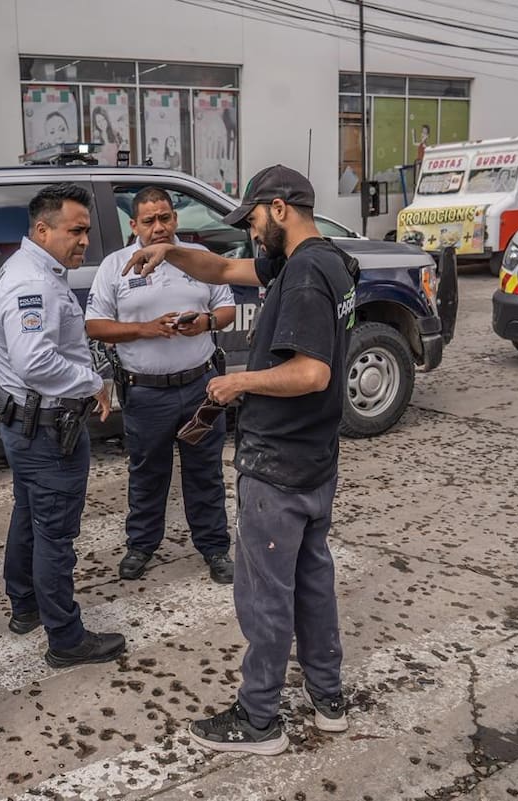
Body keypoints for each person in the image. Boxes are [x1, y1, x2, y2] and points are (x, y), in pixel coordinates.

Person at [124, 165, 358, 755]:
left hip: (278, 461)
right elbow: (224, 269)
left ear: (279, 209)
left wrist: (239, 384)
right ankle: (328, 699)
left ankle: (259, 721)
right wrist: (170, 252)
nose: (251, 234)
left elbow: (313, 371)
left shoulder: (304, 278)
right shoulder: (326, 260)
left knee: (264, 594)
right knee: (312, 581)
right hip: (315, 457)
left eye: (253, 219)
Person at [0, 183, 125, 669]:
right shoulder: (36, 283)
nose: (84, 240)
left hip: (25, 423)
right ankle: (66, 638)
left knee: (29, 515)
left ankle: (26, 606)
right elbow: (36, 362)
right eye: (76, 230)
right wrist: (92, 383)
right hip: (47, 429)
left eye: (86, 231)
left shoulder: (35, 268)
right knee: (55, 533)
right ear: (42, 230)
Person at [85, 187, 237, 585]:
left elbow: (227, 309)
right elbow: (95, 325)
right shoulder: (115, 265)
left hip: (200, 388)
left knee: (205, 473)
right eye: (149, 221)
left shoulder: (197, 260)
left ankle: (215, 547)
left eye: (165, 218)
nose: (159, 227)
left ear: (175, 219)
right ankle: (142, 545)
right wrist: (145, 330)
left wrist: (205, 323)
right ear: (133, 225)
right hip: (147, 393)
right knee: (148, 473)